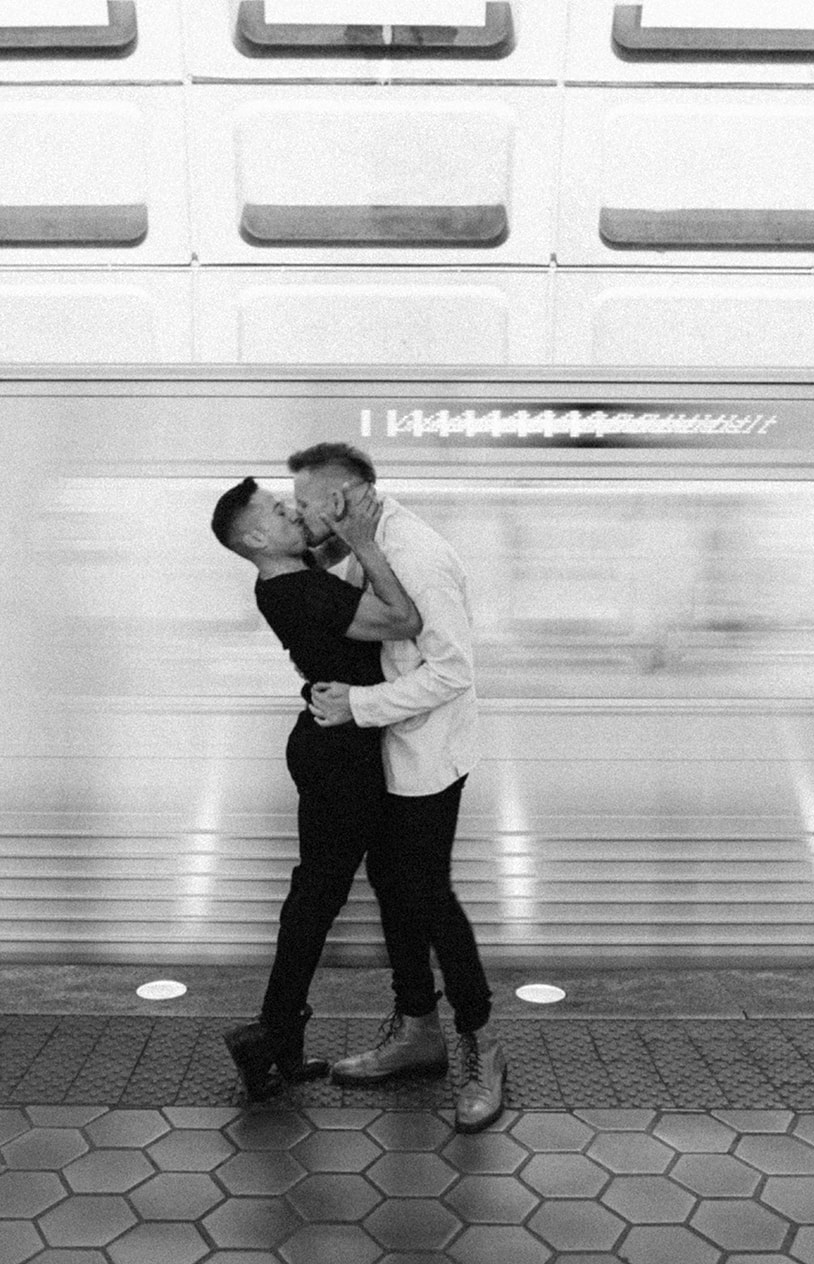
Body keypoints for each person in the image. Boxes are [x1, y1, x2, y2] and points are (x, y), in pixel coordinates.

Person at [289, 442, 506, 1134]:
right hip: (387, 752)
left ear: (345, 498)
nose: (298, 516)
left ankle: (482, 1047)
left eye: (304, 505)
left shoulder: (417, 556)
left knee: (428, 895)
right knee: (390, 885)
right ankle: (418, 1030)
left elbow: (452, 672)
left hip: (426, 756)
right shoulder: (362, 543)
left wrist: (355, 705)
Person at [209, 475, 422, 1100]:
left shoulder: (282, 576)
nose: (288, 510)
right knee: (322, 897)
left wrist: (337, 522)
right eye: (277, 510)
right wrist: (366, 539)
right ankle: (273, 1033)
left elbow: (323, 551)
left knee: (326, 892)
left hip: (329, 744)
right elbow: (403, 618)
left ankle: (280, 1038)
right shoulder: (300, 591)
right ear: (254, 536)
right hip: (340, 758)